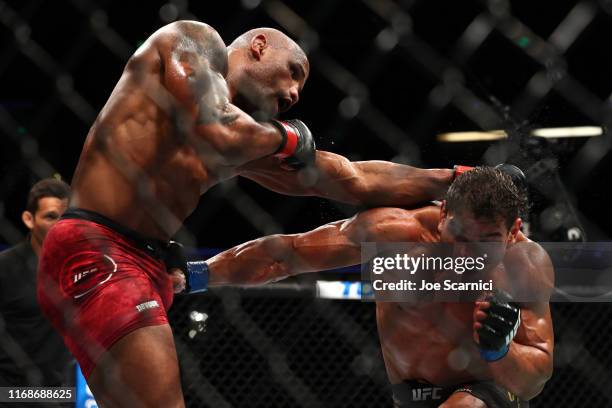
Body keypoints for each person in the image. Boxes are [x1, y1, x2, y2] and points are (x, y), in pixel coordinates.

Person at [37, 20, 456, 407]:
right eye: (293, 72)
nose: (294, 94)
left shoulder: (250, 145)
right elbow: (218, 126)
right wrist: (288, 138)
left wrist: (452, 178)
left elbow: (354, 180)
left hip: (142, 263)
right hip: (100, 248)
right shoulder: (194, 41)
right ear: (258, 46)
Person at [203, 167, 554, 407]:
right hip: (408, 396)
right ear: (444, 213)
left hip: (485, 393)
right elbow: (287, 255)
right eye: (459, 234)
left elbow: (534, 381)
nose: (467, 253)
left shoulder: (524, 265)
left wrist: (500, 352)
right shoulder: (394, 235)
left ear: (512, 232)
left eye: (487, 241)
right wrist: (196, 275)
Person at [0, 179, 72, 400]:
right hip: (11, 395)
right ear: (28, 219)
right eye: (51, 216)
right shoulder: (5, 268)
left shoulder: (81, 267)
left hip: (63, 394)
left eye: (66, 217)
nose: (61, 225)